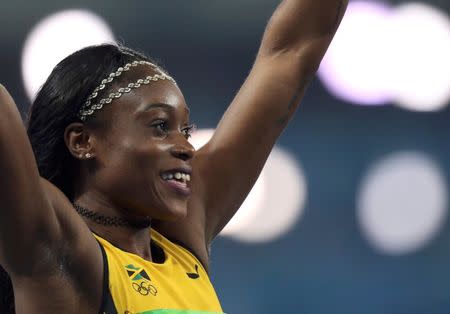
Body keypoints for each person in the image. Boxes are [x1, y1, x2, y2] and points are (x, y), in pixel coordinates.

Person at [0, 0, 348, 313]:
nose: (186, 147)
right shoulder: (60, 252)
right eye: (159, 126)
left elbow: (289, 55)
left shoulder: (183, 245)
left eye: (184, 129)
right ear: (82, 141)